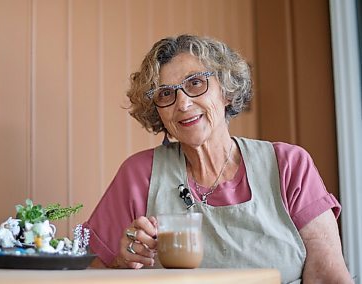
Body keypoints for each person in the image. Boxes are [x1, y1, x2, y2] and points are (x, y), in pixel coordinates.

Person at [83, 34, 353, 283]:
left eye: (196, 83)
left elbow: (329, 277)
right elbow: (90, 272)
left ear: (226, 90)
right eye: (166, 93)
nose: (183, 103)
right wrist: (123, 261)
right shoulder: (140, 173)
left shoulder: (289, 165)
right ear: (158, 112)